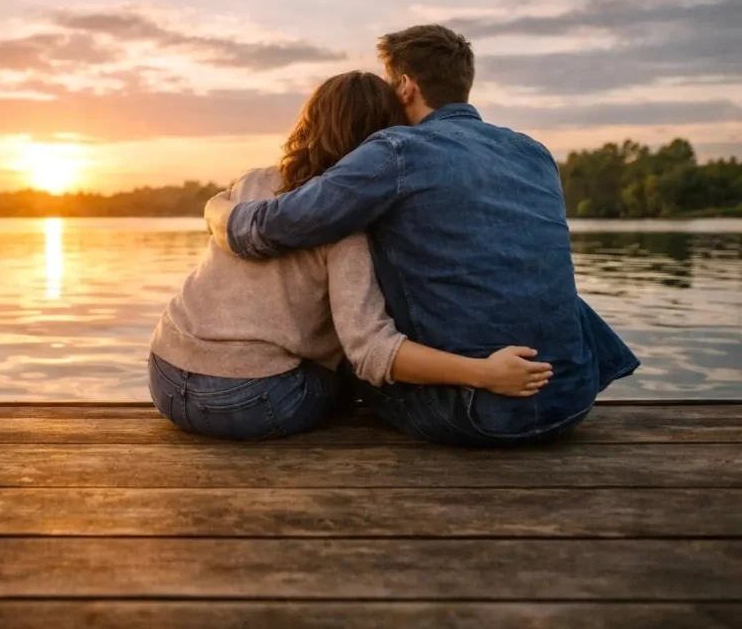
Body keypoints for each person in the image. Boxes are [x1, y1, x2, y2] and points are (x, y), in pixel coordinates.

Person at [205, 26, 639, 447]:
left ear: (407, 86)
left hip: (477, 413)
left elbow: (271, 227)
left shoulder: (395, 150)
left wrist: (218, 212)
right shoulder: (533, 152)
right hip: (571, 398)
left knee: (348, 358)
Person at [149, 71, 553, 442]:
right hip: (252, 399)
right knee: (357, 380)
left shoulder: (252, 181)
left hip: (164, 374)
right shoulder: (346, 225)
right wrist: (484, 374)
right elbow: (370, 350)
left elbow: (219, 211)